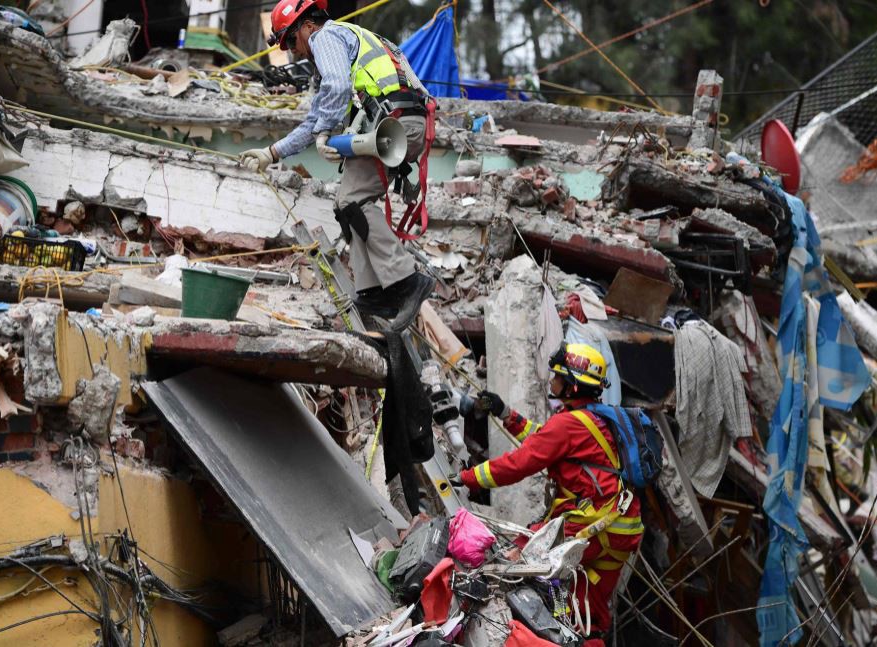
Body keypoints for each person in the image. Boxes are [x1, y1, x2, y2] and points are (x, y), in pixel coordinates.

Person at [240, 0, 434, 331]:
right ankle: (374, 293)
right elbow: (316, 117)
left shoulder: (325, 38)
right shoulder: (345, 42)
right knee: (347, 205)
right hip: (401, 125)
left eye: (290, 40)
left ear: (306, 27)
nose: (293, 51)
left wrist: (325, 132)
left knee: (354, 201)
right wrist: (272, 152)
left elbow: (338, 89)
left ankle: (406, 281)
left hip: (394, 127)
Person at [459, 343, 644, 646]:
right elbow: (545, 440)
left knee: (525, 564)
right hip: (622, 526)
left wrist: (469, 478)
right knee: (587, 608)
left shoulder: (570, 424)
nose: (552, 381)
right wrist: (505, 412)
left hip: (594, 525)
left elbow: (520, 463)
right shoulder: (595, 418)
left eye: (558, 375)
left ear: (571, 384)